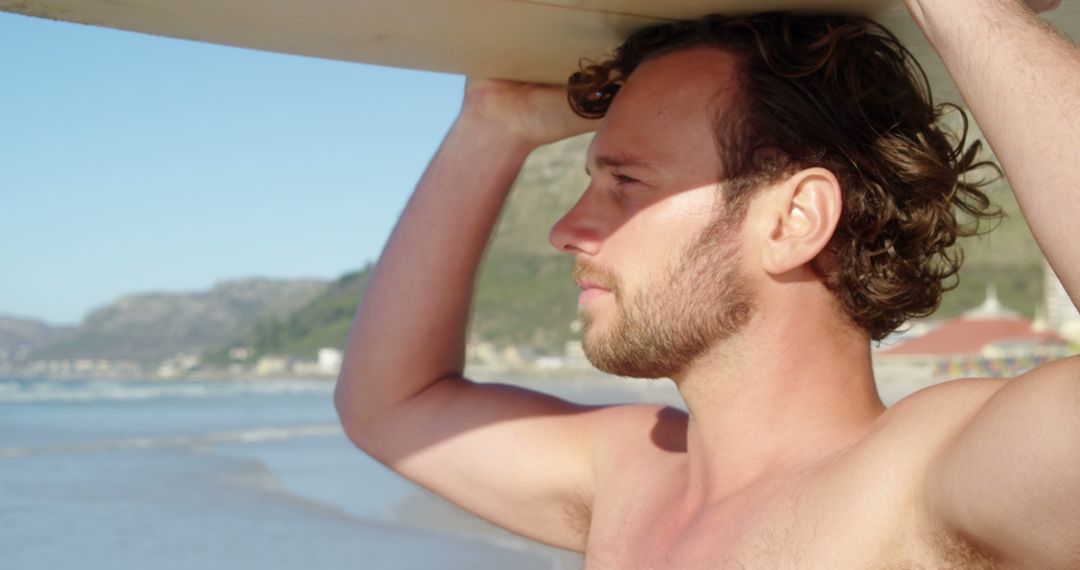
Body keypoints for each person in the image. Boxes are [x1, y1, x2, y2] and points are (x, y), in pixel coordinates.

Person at [334, 0, 1079, 567]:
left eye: (624, 180)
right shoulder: (632, 475)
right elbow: (388, 406)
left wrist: (964, 8)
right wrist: (492, 128)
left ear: (793, 219)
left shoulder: (932, 478)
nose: (565, 229)